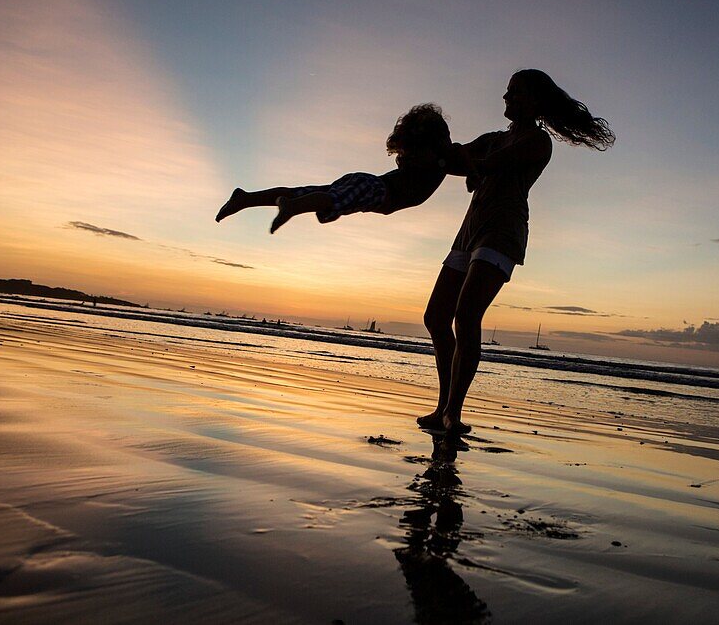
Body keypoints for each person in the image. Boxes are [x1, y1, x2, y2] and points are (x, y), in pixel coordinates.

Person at [419, 70, 614, 435]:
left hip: (502, 232)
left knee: (466, 314)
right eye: (506, 92)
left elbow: (494, 162)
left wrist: (469, 165)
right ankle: (442, 406)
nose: (505, 98)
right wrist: (432, 148)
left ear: (535, 100)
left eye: (514, 92)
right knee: (435, 317)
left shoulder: (538, 142)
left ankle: (453, 414)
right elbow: (460, 157)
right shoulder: (494, 138)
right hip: (469, 231)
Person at [215, 104, 454, 232]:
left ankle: (246, 199)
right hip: (376, 189)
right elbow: (461, 156)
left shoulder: (427, 161)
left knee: (307, 192)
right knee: (328, 198)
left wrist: (472, 174)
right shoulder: (438, 161)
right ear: (435, 141)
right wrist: (472, 172)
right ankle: (293, 207)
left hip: (367, 182)